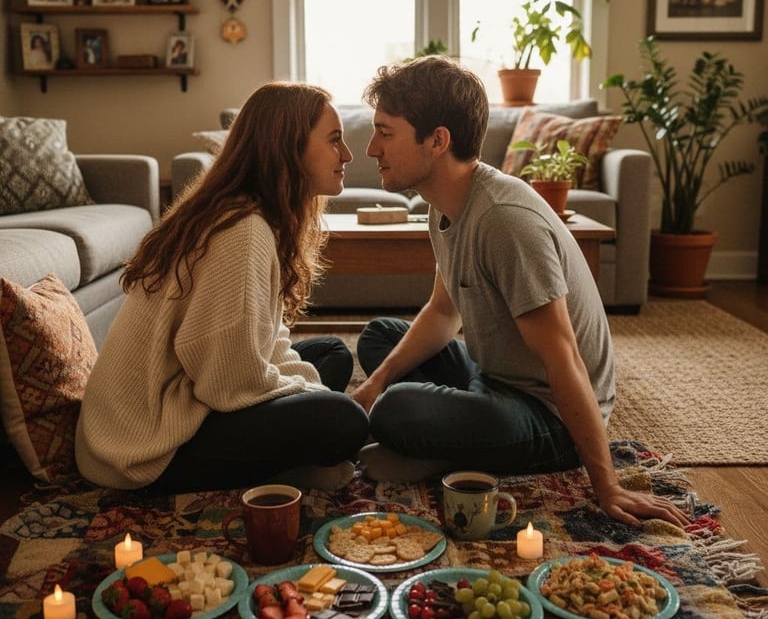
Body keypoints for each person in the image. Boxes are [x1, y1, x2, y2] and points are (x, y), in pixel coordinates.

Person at [352, 56, 689, 528]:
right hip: (494, 377)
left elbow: (562, 357)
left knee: (397, 409)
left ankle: (444, 447)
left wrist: (607, 485)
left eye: (385, 133)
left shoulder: (504, 220)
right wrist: (374, 383)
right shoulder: (442, 204)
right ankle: (450, 445)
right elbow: (444, 313)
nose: (371, 148)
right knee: (380, 339)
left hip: (549, 415)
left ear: (438, 141)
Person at [76, 82, 369, 494]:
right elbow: (230, 382)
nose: (347, 155)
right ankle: (283, 469)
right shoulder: (243, 231)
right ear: (289, 148)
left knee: (331, 355)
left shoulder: (254, 215)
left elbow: (265, 342)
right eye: (334, 140)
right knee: (345, 420)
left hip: (191, 393)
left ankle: (287, 459)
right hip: (142, 447)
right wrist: (313, 399)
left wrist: (308, 390)